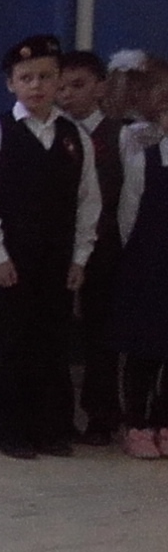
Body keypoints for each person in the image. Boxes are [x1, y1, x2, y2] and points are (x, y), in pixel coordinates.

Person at [0, 34, 101, 459]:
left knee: (51, 341)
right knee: (9, 342)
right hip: (11, 257)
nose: (36, 85)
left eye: (45, 77)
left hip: (56, 258)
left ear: (58, 81)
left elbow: (88, 201)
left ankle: (50, 427)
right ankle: (9, 429)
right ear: (11, 84)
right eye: (26, 78)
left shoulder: (74, 137)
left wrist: (80, 257)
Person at [58, 49, 125, 445]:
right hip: (56, 245)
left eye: (78, 85)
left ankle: (102, 414)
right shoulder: (55, 133)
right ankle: (54, 413)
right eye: (62, 87)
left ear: (101, 87)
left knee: (100, 331)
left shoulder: (121, 135)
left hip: (106, 246)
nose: (67, 94)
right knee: (53, 328)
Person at [109, 52, 168, 459]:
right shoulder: (143, 160)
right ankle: (136, 421)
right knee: (143, 348)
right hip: (149, 265)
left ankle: (164, 420)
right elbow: (128, 215)